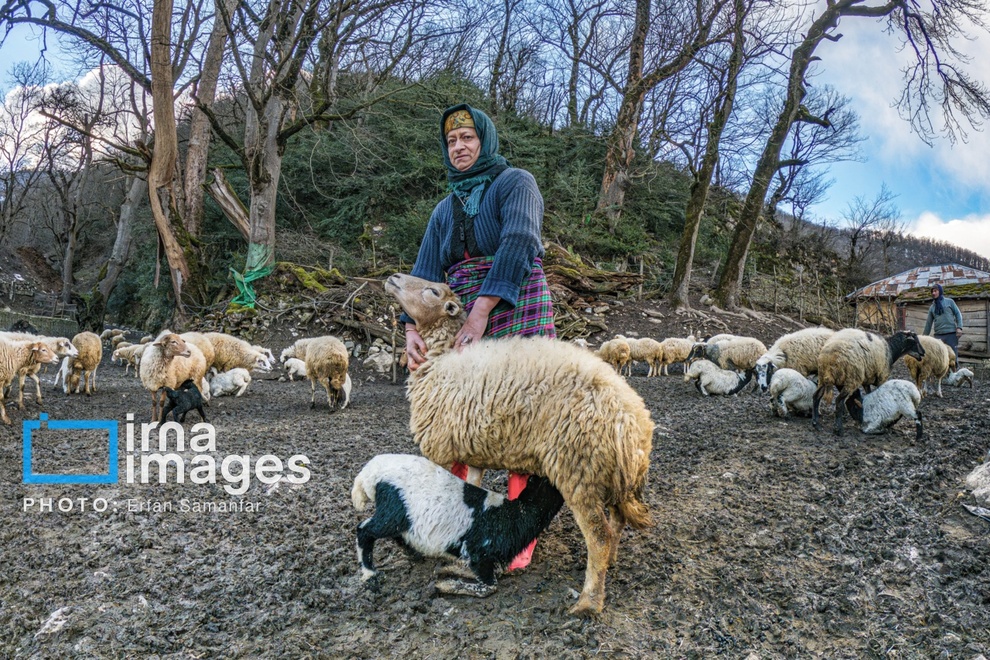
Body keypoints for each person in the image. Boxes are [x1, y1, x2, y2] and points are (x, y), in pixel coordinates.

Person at [401, 103, 556, 571]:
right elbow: (423, 275)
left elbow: (520, 241)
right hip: (461, 312)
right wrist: (411, 329)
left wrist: (482, 312)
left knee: (521, 417)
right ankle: (460, 522)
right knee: (464, 420)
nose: (460, 147)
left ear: (485, 141)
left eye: (468, 138)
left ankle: (516, 533)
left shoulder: (515, 183)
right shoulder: (444, 210)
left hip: (514, 302)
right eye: (451, 141)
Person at [923, 283, 964, 368]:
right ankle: (943, 376)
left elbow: (958, 314)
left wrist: (959, 327)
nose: (933, 293)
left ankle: (956, 376)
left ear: (940, 291)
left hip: (951, 335)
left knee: (953, 357)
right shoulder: (932, 307)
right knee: (940, 358)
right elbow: (928, 324)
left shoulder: (949, 302)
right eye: (932, 292)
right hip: (938, 336)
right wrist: (923, 338)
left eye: (935, 291)